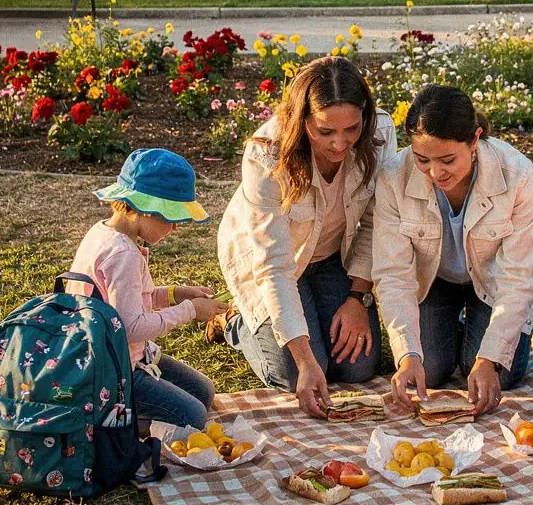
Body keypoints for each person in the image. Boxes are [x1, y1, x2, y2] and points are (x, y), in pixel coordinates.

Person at [217, 56, 397, 416]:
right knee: (294, 371)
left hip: (331, 257)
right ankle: (235, 322)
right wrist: (303, 358)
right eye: (325, 131)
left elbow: (379, 221)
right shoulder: (266, 155)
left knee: (357, 368)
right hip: (269, 262)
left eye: (351, 128)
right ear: (301, 121)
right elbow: (274, 266)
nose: (340, 143)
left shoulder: (380, 135)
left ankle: (315, 310)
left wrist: (357, 299)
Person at [372, 85, 533, 416]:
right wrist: (407, 352)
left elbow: (519, 275)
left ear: (475, 140)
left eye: (448, 159)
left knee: (498, 374)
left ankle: (475, 337)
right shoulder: (393, 176)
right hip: (434, 280)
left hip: (494, 283)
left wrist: (489, 358)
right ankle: (454, 329)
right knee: (429, 371)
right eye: (422, 159)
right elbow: (393, 273)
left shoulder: (518, 173)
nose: (436, 173)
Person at [71, 148, 226, 430]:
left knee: (203, 392)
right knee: (192, 417)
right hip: (111, 373)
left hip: (120, 357)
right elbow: (131, 326)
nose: (176, 228)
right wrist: (189, 311)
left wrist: (175, 294)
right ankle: (117, 422)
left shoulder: (105, 233)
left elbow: (127, 300)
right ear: (143, 209)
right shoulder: (123, 255)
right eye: (171, 218)